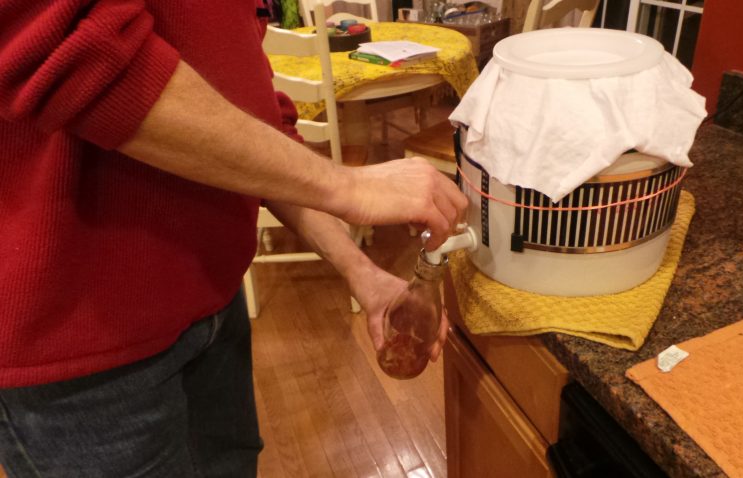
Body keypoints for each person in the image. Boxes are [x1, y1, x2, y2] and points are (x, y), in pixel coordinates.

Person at [0, 1, 467, 476]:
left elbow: (254, 121)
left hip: (215, 302)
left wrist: (359, 269)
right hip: (81, 345)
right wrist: (346, 186)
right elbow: (70, 53)